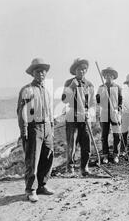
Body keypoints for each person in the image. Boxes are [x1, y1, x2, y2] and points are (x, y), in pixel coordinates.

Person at [17, 58, 54, 202]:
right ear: (33, 73)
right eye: (38, 71)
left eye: (43, 71)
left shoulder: (46, 91)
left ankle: (42, 186)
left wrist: (51, 127)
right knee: (33, 160)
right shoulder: (27, 90)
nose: (41, 74)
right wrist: (24, 130)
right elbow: (22, 111)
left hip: (47, 128)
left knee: (48, 157)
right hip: (34, 128)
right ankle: (31, 189)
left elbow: (49, 111)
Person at [61, 58, 95, 176]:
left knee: (86, 143)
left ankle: (84, 168)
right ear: (75, 70)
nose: (82, 71)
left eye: (84, 69)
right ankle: (70, 168)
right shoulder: (69, 83)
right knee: (72, 143)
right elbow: (64, 99)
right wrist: (71, 87)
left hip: (85, 117)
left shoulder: (89, 84)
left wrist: (89, 112)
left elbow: (92, 103)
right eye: (80, 69)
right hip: (72, 117)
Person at [96, 66, 122, 164]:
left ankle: (116, 154)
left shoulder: (118, 87)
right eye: (106, 75)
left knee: (116, 135)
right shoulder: (101, 87)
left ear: (113, 76)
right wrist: (100, 95)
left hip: (114, 112)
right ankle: (105, 155)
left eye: (110, 75)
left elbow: (121, 101)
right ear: (104, 76)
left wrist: (118, 110)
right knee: (104, 136)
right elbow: (98, 100)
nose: (108, 76)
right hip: (104, 113)